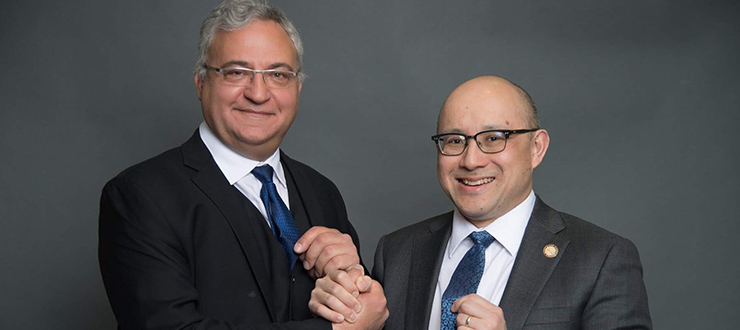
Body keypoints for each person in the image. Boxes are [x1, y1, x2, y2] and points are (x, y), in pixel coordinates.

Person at [98, 0, 387, 329]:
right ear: (201, 83)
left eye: (278, 75)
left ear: (298, 88)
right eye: (237, 72)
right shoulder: (140, 196)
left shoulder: (321, 192)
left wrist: (354, 278)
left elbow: (368, 316)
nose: (259, 94)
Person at [310, 76, 652, 329]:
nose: (471, 160)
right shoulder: (398, 252)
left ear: (536, 148)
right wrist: (340, 312)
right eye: (454, 140)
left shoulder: (601, 259)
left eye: (493, 138)